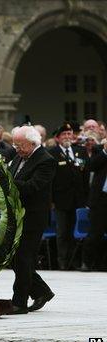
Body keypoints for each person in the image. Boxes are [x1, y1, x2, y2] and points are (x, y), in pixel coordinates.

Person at [8, 126, 56, 314]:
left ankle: (18, 302)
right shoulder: (20, 155)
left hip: (33, 217)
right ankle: (42, 291)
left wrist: (7, 181)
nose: (16, 148)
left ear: (33, 143)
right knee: (15, 258)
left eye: (20, 145)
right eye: (15, 144)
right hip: (17, 214)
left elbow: (32, 187)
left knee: (23, 257)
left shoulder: (46, 160)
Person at [47, 123, 89, 270]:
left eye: (69, 134)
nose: (67, 137)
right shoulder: (52, 153)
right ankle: (63, 261)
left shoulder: (80, 151)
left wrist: (85, 198)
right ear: (58, 138)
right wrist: (51, 200)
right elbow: (50, 179)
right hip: (60, 200)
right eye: (64, 134)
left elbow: (85, 177)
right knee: (62, 232)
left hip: (78, 199)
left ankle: (74, 261)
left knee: (74, 232)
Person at [81, 138, 107, 271]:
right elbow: (90, 166)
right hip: (101, 199)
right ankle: (87, 262)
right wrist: (105, 151)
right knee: (95, 233)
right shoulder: (98, 149)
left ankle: (103, 264)